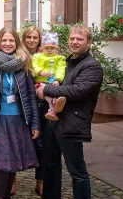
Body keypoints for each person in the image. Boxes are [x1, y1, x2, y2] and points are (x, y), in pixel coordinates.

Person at [36, 25, 103, 199]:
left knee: (77, 170)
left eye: (79, 39)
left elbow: (77, 91)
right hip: (53, 120)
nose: (74, 42)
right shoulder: (66, 62)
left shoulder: (91, 66)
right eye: (72, 38)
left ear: (88, 42)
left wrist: (47, 89)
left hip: (72, 122)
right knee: (50, 166)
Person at [0, 27, 41, 199]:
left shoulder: (24, 62)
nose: (8, 43)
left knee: (13, 164)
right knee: (3, 164)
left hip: (19, 120)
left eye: (11, 40)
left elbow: (30, 97)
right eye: (4, 40)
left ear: (17, 43)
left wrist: (35, 123)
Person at [22, 25, 45, 195]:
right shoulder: (18, 55)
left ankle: (41, 180)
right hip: (21, 104)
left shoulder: (46, 55)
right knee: (17, 141)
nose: (31, 40)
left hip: (41, 103)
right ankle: (11, 179)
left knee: (42, 145)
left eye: (35, 37)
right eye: (28, 37)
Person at [33, 32, 67, 121]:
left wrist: (58, 79)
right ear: (42, 48)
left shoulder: (60, 58)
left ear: (57, 49)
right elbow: (34, 65)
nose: (49, 50)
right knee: (43, 92)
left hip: (53, 82)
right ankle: (53, 105)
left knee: (54, 92)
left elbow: (61, 69)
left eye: (52, 48)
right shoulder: (37, 56)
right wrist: (40, 72)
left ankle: (52, 109)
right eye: (46, 48)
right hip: (40, 82)